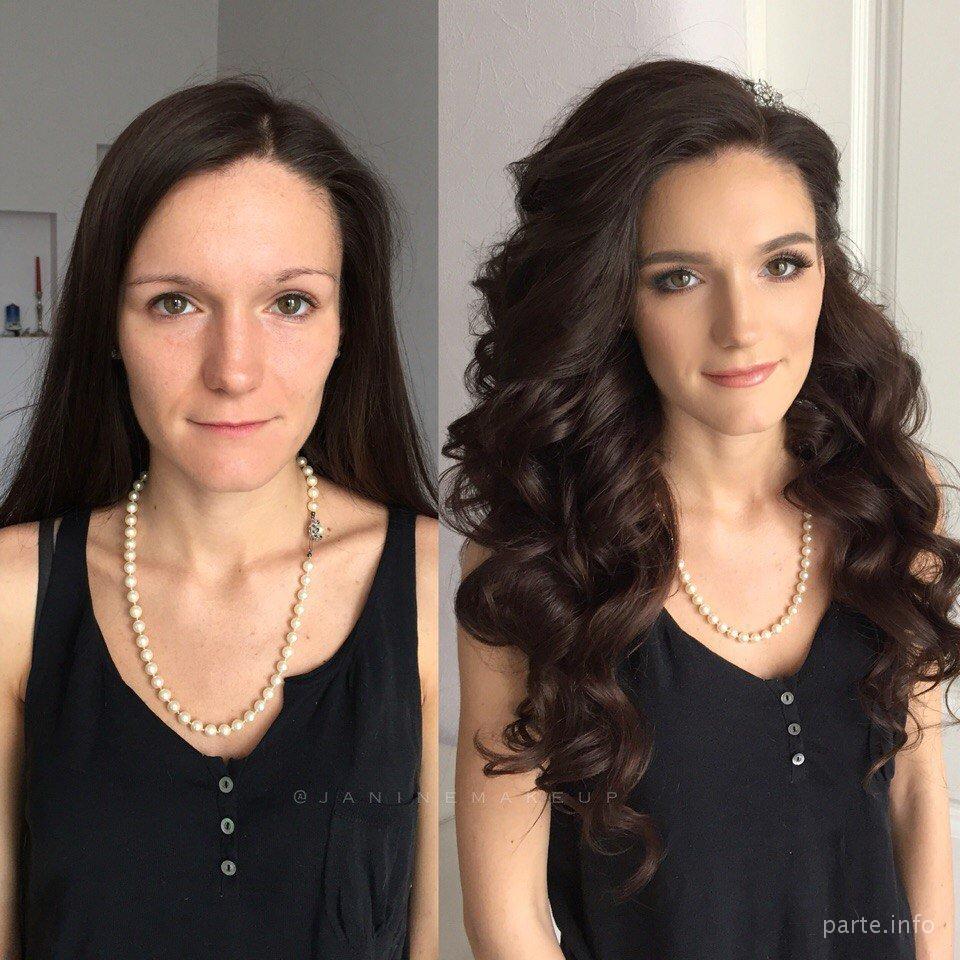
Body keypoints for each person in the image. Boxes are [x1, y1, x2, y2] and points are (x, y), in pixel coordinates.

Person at [444, 58, 958, 959]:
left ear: (826, 274)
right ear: (613, 300)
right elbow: (508, 923)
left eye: (782, 265)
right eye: (678, 278)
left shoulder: (888, 497)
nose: (742, 327)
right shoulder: (536, 563)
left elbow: (915, 794)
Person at [0, 76, 439, 960]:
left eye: (290, 303)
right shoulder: (13, 597)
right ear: (108, 326)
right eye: (176, 303)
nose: (233, 370)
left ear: (347, 326)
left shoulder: (437, 583)